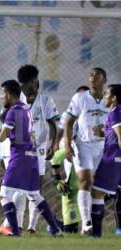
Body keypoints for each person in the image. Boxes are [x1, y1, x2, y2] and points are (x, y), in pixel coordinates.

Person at [0, 79, 61, 237]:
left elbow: (2, 137)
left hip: (19, 158)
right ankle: (55, 230)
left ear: (9, 94)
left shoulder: (13, 111)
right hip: (32, 157)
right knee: (35, 195)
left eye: (3, 93)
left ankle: (15, 231)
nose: (1, 97)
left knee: (4, 196)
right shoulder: (25, 108)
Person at [0, 65, 59, 234]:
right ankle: (14, 225)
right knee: (17, 189)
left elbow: (53, 124)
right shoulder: (14, 98)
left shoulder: (45, 100)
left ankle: (29, 226)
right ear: (33, 80)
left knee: (33, 189)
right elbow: (4, 120)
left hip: (36, 150)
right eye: (36, 79)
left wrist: (52, 145)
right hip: (13, 149)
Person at [64, 67, 108, 234]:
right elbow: (68, 122)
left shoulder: (110, 99)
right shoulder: (80, 97)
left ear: (104, 80)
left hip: (103, 146)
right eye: (91, 75)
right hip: (84, 145)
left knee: (99, 190)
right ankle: (86, 223)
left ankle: (96, 229)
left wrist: (106, 131)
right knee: (85, 182)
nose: (93, 78)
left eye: (97, 76)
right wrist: (68, 144)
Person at [50, 85, 89, 233]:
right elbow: (61, 130)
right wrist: (57, 146)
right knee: (70, 188)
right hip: (71, 152)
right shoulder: (69, 114)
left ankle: (76, 223)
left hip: (88, 153)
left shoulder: (93, 113)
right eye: (78, 96)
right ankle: (67, 225)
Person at [90, 84, 121, 237]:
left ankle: (95, 234)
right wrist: (103, 132)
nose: (104, 97)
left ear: (114, 98)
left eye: (107, 94)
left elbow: (120, 136)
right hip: (115, 158)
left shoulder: (115, 112)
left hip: (113, 159)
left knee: (97, 193)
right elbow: (114, 135)